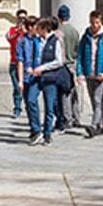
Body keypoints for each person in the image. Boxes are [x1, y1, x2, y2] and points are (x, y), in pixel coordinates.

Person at [24, 17, 66, 145]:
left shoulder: (55, 41)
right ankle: (36, 130)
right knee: (31, 100)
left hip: (50, 77)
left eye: (38, 28)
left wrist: (43, 68)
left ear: (44, 29)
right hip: (36, 77)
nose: (36, 31)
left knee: (49, 107)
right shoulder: (36, 41)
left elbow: (59, 61)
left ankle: (47, 134)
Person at [77, 10, 103, 137]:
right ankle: (98, 124)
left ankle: (94, 125)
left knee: (98, 99)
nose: (95, 25)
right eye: (93, 22)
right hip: (89, 73)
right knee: (93, 101)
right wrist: (79, 71)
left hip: (100, 74)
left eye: (97, 22)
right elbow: (80, 55)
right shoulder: (86, 37)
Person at [56, 6, 81, 131]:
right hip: (73, 64)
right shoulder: (74, 31)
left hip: (62, 65)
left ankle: (67, 118)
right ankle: (77, 117)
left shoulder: (58, 31)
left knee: (64, 94)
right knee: (74, 92)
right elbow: (78, 48)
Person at [6, 9, 30, 118]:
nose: (22, 20)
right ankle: (17, 108)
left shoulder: (29, 31)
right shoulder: (12, 30)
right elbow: (9, 38)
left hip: (26, 64)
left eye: (24, 18)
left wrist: (25, 31)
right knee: (17, 87)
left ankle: (29, 106)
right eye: (20, 18)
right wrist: (17, 31)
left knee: (27, 87)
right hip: (14, 63)